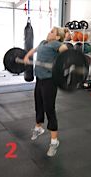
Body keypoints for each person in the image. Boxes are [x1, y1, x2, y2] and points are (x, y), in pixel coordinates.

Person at [24, 27, 68, 157]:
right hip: (39, 79)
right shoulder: (43, 42)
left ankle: (54, 141)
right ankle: (38, 128)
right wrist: (27, 56)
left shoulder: (57, 44)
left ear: (58, 37)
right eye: (50, 30)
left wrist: (65, 63)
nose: (49, 32)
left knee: (49, 108)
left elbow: (65, 51)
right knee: (38, 104)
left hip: (50, 81)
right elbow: (34, 50)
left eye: (52, 32)